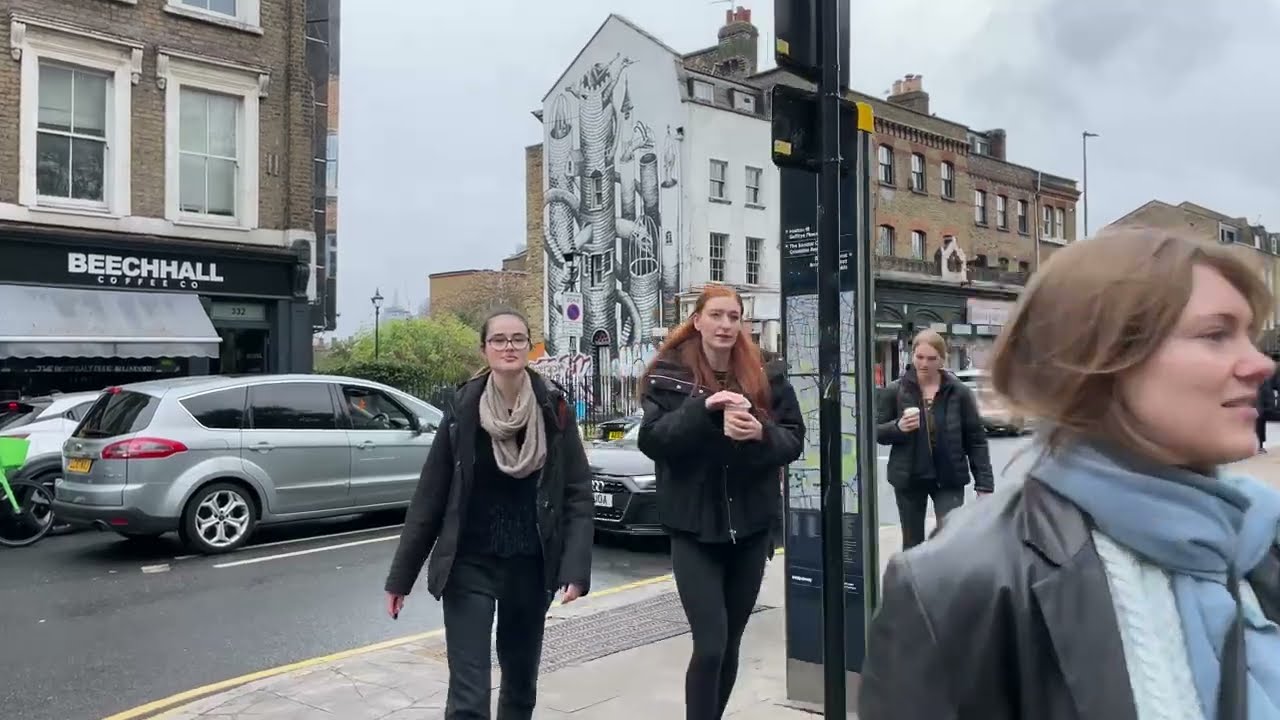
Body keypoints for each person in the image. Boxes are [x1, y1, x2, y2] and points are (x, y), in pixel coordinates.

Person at [859, 226, 1280, 719]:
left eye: (1249, 336)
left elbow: (972, 438)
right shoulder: (957, 585)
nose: (1260, 365)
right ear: (1100, 357)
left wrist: (980, 478)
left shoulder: (1261, 537)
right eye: (1216, 334)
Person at [383, 309, 594, 720]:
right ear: (485, 349)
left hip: (531, 566)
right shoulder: (464, 408)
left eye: (517, 339)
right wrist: (400, 578)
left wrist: (575, 569)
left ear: (529, 347)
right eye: (498, 339)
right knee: (468, 695)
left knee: (520, 687)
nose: (508, 347)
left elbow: (577, 492)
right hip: (469, 564)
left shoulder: (552, 407)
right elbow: (431, 494)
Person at [636, 285, 805, 720]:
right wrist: (704, 408)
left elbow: (793, 441)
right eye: (716, 315)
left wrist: (761, 433)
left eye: (734, 316)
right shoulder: (669, 375)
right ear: (697, 321)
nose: (726, 325)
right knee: (710, 643)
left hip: (750, 527)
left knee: (730, 643)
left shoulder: (766, 373)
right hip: (693, 528)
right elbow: (653, 440)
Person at [874, 329, 994, 549]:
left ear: (942, 359)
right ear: (912, 356)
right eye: (919, 357)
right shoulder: (895, 390)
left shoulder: (959, 392)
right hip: (909, 479)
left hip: (949, 478)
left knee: (948, 542)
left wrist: (984, 483)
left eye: (931, 358)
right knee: (912, 544)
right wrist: (898, 427)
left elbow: (976, 439)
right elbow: (876, 432)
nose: (924, 364)